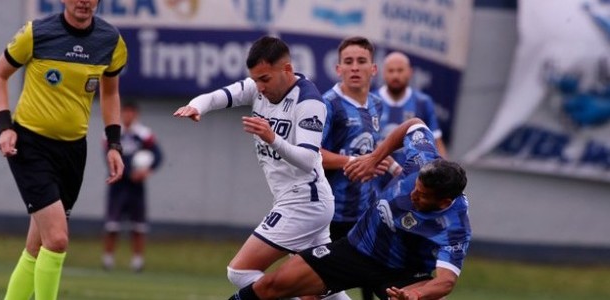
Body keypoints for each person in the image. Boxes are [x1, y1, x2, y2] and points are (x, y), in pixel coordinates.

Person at [174, 36, 349, 299]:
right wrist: (196, 106)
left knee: (240, 271)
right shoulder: (257, 88)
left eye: (264, 79)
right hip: (303, 201)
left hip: (304, 202)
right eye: (255, 79)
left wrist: (273, 138)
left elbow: (309, 159)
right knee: (327, 287)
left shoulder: (309, 101)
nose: (259, 87)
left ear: (286, 70)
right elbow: (216, 97)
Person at [228, 118, 471, 300]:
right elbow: (413, 125)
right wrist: (374, 158)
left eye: (422, 195)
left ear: (444, 202)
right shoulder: (423, 159)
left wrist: (417, 295)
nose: (413, 194)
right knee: (272, 285)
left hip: (402, 275)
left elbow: (446, 282)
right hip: (356, 249)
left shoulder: (455, 226)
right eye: (415, 187)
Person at [0, 0, 127, 299]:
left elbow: (110, 91)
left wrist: (114, 144)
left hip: (73, 152)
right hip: (30, 146)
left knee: (36, 247)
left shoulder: (111, 41)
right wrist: (5, 127)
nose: (84, 1)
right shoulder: (36, 33)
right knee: (57, 240)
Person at [320, 36, 399, 300]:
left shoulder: (376, 104)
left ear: (373, 69)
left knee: (385, 280)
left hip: (366, 211)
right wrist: (353, 162)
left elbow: (370, 152)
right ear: (338, 68)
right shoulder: (327, 104)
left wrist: (391, 165)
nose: (355, 67)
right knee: (316, 286)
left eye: (361, 61)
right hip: (330, 213)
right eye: (348, 62)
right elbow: (310, 155)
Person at [102, 101, 163, 272]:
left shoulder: (144, 134)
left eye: (131, 113)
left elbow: (158, 155)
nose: (128, 116)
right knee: (112, 225)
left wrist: (146, 171)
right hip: (117, 184)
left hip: (137, 187)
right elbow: (107, 156)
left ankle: (137, 261)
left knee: (138, 226)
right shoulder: (113, 133)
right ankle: (108, 259)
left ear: (136, 114)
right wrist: (129, 173)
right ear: (121, 113)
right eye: (125, 112)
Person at [374, 51, 448, 162]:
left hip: (411, 176)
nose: (395, 75)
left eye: (400, 70)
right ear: (383, 73)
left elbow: (436, 142)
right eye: (391, 71)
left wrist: (444, 171)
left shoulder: (423, 102)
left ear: (410, 72)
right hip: (376, 175)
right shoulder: (371, 101)